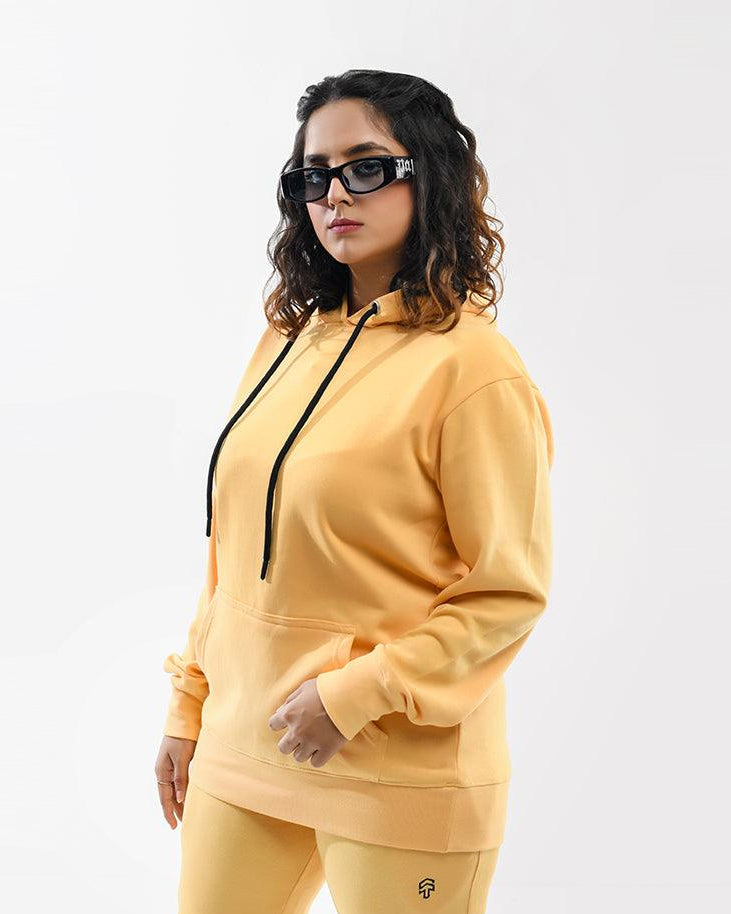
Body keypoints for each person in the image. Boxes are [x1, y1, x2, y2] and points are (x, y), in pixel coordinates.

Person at [154, 68, 554, 914]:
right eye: (313, 175)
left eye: (365, 167)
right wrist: (190, 703)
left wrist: (352, 696)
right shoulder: (288, 339)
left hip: (396, 772)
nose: (334, 193)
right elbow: (230, 549)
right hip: (243, 748)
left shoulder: (474, 369)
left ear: (428, 176)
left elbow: (505, 593)